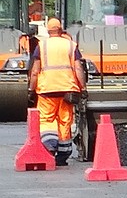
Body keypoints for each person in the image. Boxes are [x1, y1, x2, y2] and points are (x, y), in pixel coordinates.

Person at [27, 17, 87, 166]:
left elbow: (35, 71)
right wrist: (83, 88)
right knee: (65, 121)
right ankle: (63, 154)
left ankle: (49, 147)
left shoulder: (42, 45)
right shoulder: (70, 45)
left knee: (46, 119)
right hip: (67, 90)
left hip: (47, 89)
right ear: (60, 30)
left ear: (48, 31)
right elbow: (79, 68)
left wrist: (31, 89)